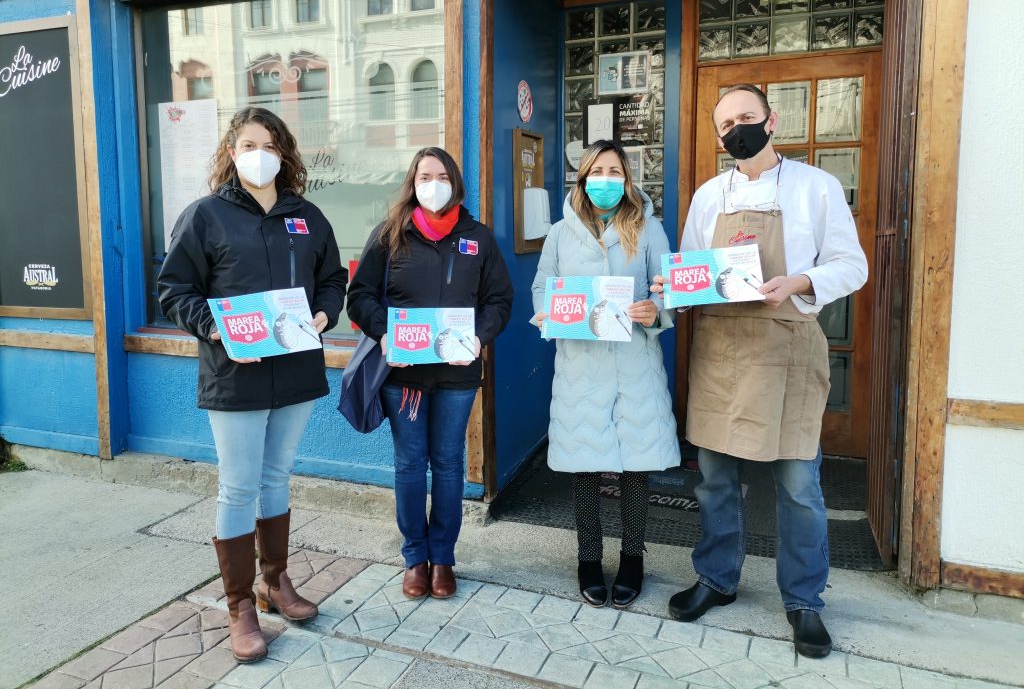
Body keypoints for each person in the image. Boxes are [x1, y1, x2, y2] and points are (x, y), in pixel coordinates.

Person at [657, 84, 867, 658]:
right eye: (726, 124)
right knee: (716, 480)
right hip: (722, 349)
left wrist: (799, 281)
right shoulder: (707, 196)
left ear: (772, 122)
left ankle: (804, 601)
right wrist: (668, 288)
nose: (736, 130)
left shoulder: (815, 188)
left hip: (788, 348)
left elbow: (853, 265)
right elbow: (693, 275)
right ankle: (717, 578)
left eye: (746, 118)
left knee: (799, 485)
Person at [158, 107, 346, 663]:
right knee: (238, 487)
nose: (257, 153)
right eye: (246, 143)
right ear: (231, 152)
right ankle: (239, 603)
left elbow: (333, 279)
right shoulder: (205, 216)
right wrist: (212, 326)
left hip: (293, 369)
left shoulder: (307, 217)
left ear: (284, 153)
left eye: (267, 144)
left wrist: (323, 316)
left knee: (277, 477)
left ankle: (275, 580)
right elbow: (174, 288)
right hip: (233, 371)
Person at [346, 147, 513, 600]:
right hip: (406, 378)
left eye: (441, 175)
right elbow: (359, 296)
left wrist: (479, 337)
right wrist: (383, 335)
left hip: (458, 375)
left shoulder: (478, 238)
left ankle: (443, 558)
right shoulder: (390, 235)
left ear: (454, 182)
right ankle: (414, 558)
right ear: (412, 182)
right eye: (424, 175)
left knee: (448, 464)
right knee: (409, 465)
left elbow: (500, 300)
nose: (432, 183)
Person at [531, 139, 680, 609]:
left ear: (628, 178)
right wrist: (546, 313)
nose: (606, 180)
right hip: (581, 363)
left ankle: (633, 557)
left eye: (615, 171)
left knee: (637, 465)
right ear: (582, 177)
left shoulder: (650, 228)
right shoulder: (560, 233)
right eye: (598, 171)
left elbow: (668, 288)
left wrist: (653, 307)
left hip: (634, 362)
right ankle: (589, 558)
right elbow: (543, 285)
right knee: (585, 463)